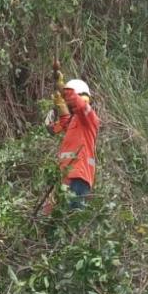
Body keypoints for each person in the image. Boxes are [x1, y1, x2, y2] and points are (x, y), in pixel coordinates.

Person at [47, 78, 99, 209]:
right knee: (53, 215)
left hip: (78, 177)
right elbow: (64, 123)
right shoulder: (75, 120)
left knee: (70, 216)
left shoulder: (89, 117)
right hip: (67, 175)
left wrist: (63, 88)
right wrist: (60, 104)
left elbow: (79, 104)